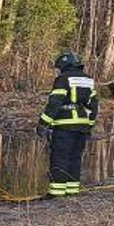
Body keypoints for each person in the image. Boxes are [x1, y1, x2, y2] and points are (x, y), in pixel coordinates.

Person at [40, 52, 98, 199]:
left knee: (60, 158)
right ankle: (72, 190)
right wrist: (89, 125)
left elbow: (55, 103)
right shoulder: (88, 80)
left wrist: (43, 123)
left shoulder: (63, 79)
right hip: (82, 126)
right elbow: (94, 106)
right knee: (75, 158)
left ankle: (56, 193)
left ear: (64, 65)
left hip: (64, 127)